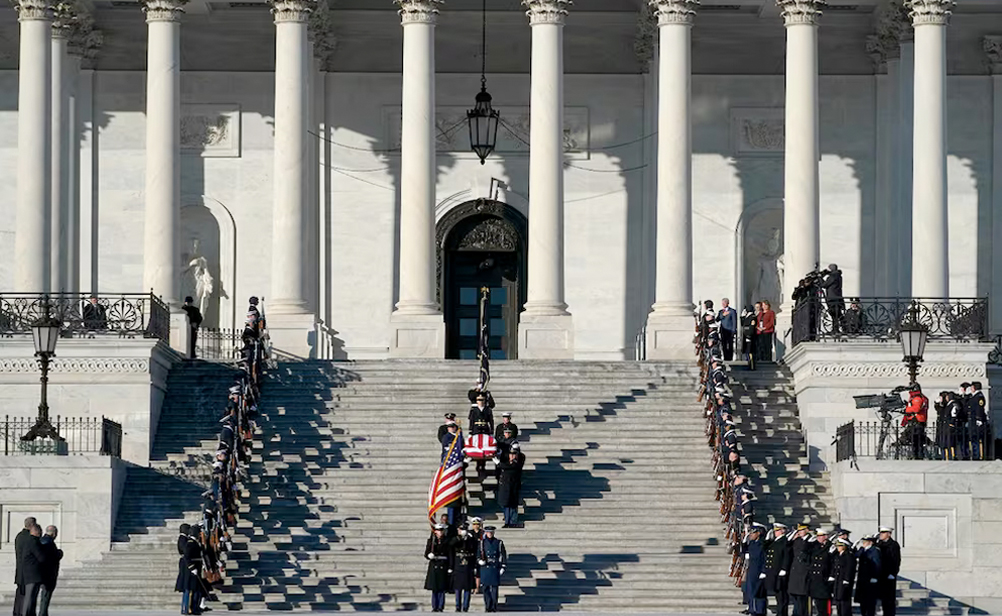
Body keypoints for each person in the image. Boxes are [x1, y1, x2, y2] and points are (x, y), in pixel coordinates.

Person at [763, 522, 792, 616]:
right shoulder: (775, 541)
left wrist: (784, 568)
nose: (776, 532)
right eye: (775, 530)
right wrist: (767, 539)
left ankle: (782, 613)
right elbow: (765, 548)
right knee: (778, 595)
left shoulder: (784, 541)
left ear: (783, 531)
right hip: (774, 572)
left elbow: (786, 556)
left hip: (780, 572)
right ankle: (780, 612)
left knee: (782, 595)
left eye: (778, 530)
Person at [449, 523, 479, 612]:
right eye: (461, 529)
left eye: (464, 529)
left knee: (467, 588)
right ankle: (458, 606)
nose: (463, 531)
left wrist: (468, 539)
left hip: (468, 565)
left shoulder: (471, 539)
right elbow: (451, 545)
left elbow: (473, 549)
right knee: (458, 588)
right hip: (458, 565)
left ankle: (466, 606)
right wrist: (460, 538)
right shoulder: (455, 539)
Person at [18, 524, 46, 616]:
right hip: (32, 574)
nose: (41, 533)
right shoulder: (33, 542)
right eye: (40, 531)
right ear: (36, 531)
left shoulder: (29, 541)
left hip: (30, 574)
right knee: (30, 598)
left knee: (31, 597)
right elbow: (41, 557)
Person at [478, 526, 507, 613]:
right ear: (485, 533)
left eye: (491, 532)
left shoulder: (498, 542)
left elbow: (503, 555)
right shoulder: (482, 543)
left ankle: (494, 606)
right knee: (485, 588)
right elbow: (478, 554)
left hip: (494, 567)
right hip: (485, 567)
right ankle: (488, 606)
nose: (489, 534)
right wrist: (479, 560)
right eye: (488, 532)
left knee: (494, 588)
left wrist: (503, 566)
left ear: (493, 533)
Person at [496, 442, 525, 528]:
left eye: (514, 454)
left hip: (514, 487)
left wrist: (498, 463)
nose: (512, 456)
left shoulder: (517, 463)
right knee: (506, 505)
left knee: (513, 505)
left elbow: (506, 466)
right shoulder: (507, 462)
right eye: (511, 455)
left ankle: (513, 521)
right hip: (505, 487)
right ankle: (507, 521)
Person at [425, 523, 451, 612]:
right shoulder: (431, 541)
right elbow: (426, 553)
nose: (440, 532)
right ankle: (434, 606)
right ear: (435, 531)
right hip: (434, 564)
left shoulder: (447, 541)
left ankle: (440, 606)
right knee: (434, 587)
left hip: (443, 564)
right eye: (438, 530)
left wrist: (450, 567)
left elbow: (450, 554)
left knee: (442, 588)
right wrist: (429, 555)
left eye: (441, 530)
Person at [13, 516, 36, 616]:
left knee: (20, 594)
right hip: (27, 572)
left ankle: (17, 612)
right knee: (26, 596)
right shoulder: (29, 538)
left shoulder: (19, 536)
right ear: (31, 525)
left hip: (20, 570)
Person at [37, 526, 62, 616]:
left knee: (45, 596)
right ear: (54, 533)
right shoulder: (49, 543)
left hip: (44, 573)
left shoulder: (42, 541)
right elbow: (51, 558)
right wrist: (59, 553)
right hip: (48, 574)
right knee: (45, 596)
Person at [807, 529, 833, 616]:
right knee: (818, 604)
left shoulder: (831, 546)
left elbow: (834, 563)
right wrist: (808, 543)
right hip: (815, 580)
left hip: (824, 579)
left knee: (825, 607)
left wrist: (831, 576)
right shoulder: (814, 546)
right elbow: (805, 553)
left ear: (826, 536)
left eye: (820, 536)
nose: (818, 538)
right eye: (817, 536)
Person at [743, 523, 768, 616]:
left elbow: (765, 558)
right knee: (750, 590)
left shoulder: (762, 544)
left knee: (759, 592)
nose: (751, 535)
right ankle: (752, 608)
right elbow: (744, 551)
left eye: (753, 533)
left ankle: (760, 610)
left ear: (758, 533)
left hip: (759, 570)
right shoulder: (752, 543)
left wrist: (763, 571)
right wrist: (745, 542)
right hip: (752, 570)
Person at [855, 534, 883, 616]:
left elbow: (877, 564)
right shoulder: (863, 550)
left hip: (870, 579)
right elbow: (855, 555)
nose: (863, 543)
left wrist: (875, 576)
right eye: (863, 541)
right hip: (862, 578)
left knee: (870, 601)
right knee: (863, 601)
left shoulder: (875, 551)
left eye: (865, 541)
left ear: (870, 542)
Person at [787, 524, 811, 616]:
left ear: (807, 530)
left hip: (804, 572)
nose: (799, 532)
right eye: (799, 531)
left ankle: (801, 613)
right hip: (795, 571)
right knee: (794, 595)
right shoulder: (796, 540)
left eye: (802, 530)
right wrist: (792, 538)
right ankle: (796, 613)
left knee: (802, 597)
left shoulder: (810, 541)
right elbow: (787, 548)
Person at [876, 526, 900, 616]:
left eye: (883, 533)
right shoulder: (880, 544)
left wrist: (893, 573)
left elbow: (896, 560)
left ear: (889, 534)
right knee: (883, 598)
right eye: (881, 533)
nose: (881, 535)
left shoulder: (893, 545)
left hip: (889, 574)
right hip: (881, 574)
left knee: (889, 599)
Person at [901, 383, 929, 460]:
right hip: (916, 423)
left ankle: (918, 457)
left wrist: (906, 409)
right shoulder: (918, 397)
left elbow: (916, 409)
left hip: (917, 423)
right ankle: (916, 456)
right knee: (915, 442)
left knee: (917, 442)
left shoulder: (917, 398)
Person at [831, 537, 856, 616]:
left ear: (844, 546)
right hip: (838, 581)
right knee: (838, 602)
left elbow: (849, 568)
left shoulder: (848, 556)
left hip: (844, 581)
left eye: (839, 546)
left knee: (844, 602)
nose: (838, 548)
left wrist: (847, 579)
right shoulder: (838, 555)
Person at [968, 381, 989, 460]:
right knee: (973, 438)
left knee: (976, 438)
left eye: (972, 387)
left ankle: (977, 455)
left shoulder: (979, 396)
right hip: (972, 420)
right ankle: (974, 454)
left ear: (974, 387)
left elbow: (979, 408)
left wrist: (979, 419)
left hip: (975, 420)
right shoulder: (974, 396)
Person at [821, 264, 844, 333]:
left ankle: (837, 329)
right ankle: (837, 328)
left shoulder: (833, 276)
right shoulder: (838, 275)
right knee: (836, 314)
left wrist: (820, 277)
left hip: (833, 298)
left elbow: (824, 285)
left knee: (835, 314)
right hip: (837, 297)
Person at [741, 304, 758, 369]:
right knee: (747, 351)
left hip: (749, 336)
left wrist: (749, 336)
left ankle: (751, 365)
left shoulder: (752, 317)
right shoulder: (747, 316)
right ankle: (748, 363)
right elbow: (743, 324)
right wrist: (742, 316)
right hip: (746, 335)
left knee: (750, 351)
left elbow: (752, 327)